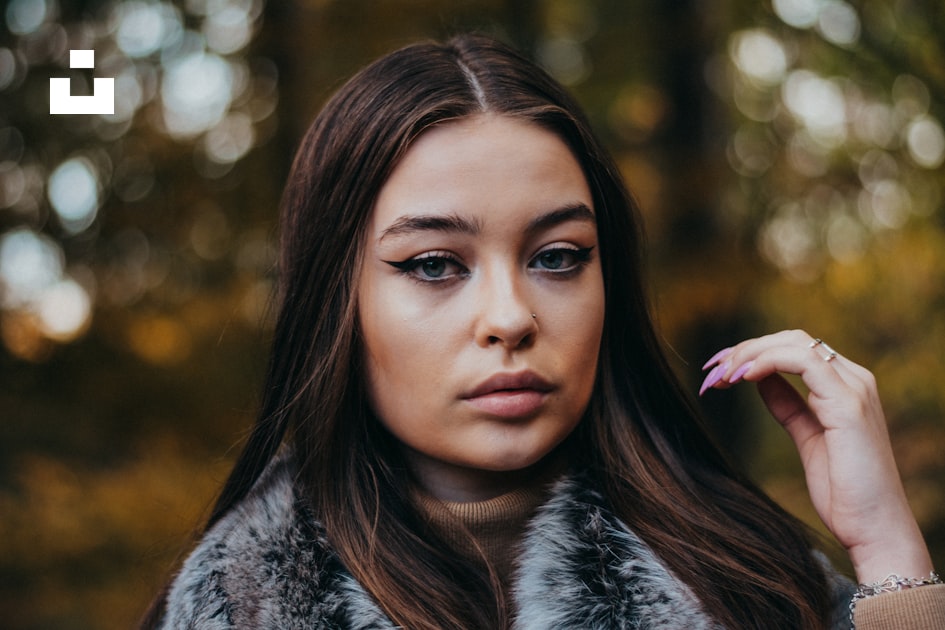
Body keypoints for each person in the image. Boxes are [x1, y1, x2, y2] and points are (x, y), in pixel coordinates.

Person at [143, 34, 943, 629]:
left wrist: (889, 559)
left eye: (558, 256)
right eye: (431, 265)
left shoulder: (754, 581)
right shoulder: (232, 607)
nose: (509, 318)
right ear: (335, 301)